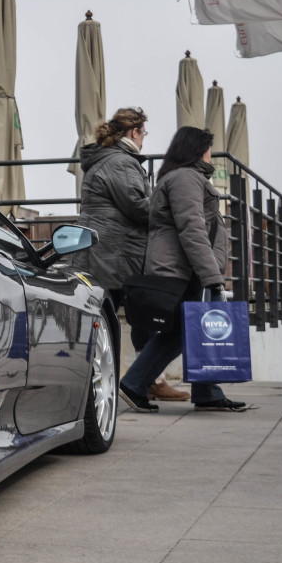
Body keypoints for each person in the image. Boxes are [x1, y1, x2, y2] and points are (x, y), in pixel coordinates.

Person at [119, 126, 248, 412]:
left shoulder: (184, 177)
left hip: (188, 268)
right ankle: (135, 384)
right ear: (197, 149)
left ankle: (204, 392)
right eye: (208, 148)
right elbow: (192, 228)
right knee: (184, 331)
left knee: (185, 330)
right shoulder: (186, 178)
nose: (211, 154)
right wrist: (211, 275)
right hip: (185, 270)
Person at [77, 107, 188, 401]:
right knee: (114, 318)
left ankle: (149, 380)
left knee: (141, 316)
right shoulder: (121, 163)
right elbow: (139, 207)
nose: (143, 140)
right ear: (134, 133)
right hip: (112, 252)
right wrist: (168, 207)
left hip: (108, 249)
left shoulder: (110, 160)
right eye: (143, 134)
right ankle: (116, 384)